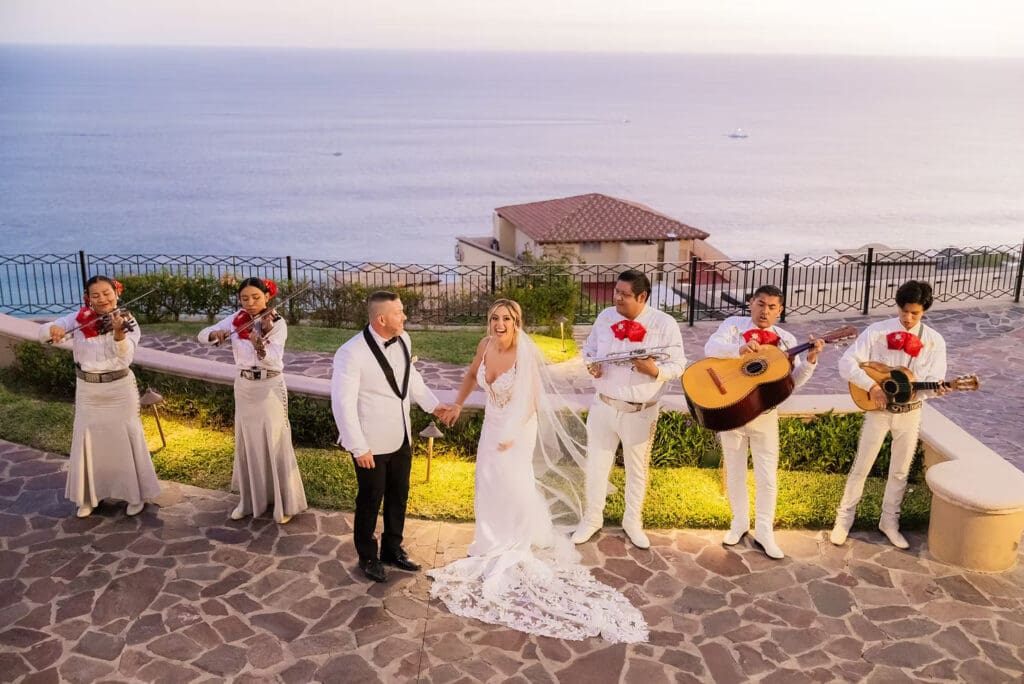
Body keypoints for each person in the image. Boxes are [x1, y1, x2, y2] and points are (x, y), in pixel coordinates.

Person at [430, 299, 647, 643]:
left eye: (506, 318)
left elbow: (530, 402)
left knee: (514, 482)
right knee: (487, 480)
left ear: (517, 322)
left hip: (518, 428)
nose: (499, 323)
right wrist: (458, 402)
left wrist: (512, 436)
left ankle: (514, 538)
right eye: (494, 318)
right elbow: (473, 374)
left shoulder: (524, 352)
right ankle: (488, 538)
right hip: (493, 424)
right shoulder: (485, 345)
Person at [331, 291, 448, 583]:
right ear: (382, 318)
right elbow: (342, 404)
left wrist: (434, 405)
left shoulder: (404, 339)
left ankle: (392, 549)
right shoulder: (351, 352)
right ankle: (368, 556)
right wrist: (358, 447)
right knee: (370, 500)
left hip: (402, 436)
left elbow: (411, 379)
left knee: (399, 496)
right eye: (399, 312)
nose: (405, 317)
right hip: (369, 444)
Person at [703, 285, 823, 559]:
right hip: (732, 411)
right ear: (750, 303)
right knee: (734, 471)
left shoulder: (786, 340)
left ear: (779, 310)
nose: (764, 311)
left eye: (771, 307)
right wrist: (740, 348)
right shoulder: (733, 325)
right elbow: (711, 347)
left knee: (767, 477)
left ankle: (765, 531)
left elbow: (792, 384)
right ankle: (739, 522)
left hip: (765, 417)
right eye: (760, 304)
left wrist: (811, 360)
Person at [572, 270, 685, 549]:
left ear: (642, 297)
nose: (617, 298)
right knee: (597, 465)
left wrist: (654, 370)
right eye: (616, 292)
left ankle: (632, 522)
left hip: (640, 411)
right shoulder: (606, 317)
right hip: (603, 406)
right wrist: (592, 364)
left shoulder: (664, 323)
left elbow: (679, 364)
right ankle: (591, 519)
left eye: (624, 294)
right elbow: (589, 348)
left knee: (637, 470)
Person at [830, 280, 948, 549]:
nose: (908, 318)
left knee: (899, 472)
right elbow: (846, 362)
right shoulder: (876, 332)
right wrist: (871, 385)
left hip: (910, 413)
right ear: (898, 306)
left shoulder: (934, 341)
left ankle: (889, 522)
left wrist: (934, 390)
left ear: (924, 311)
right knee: (862, 466)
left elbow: (933, 379)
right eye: (904, 311)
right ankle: (843, 520)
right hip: (879, 411)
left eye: (914, 313)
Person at [40, 275, 161, 518]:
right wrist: (53, 329)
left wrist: (118, 335)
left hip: (119, 390)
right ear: (88, 299)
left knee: (126, 439)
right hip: (88, 390)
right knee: (88, 440)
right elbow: (45, 332)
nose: (102, 299)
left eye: (107, 293)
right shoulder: (79, 319)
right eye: (95, 295)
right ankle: (89, 497)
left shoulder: (128, 321)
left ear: (116, 294)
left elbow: (125, 357)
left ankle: (134, 494)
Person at [198, 277, 307, 525]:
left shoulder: (277, 323)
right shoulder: (237, 319)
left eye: (256, 297)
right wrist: (216, 333)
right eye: (245, 298)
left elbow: (273, 358)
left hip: (269, 386)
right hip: (244, 386)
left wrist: (260, 347)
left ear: (267, 297)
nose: (250, 303)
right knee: (248, 443)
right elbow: (202, 335)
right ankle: (249, 502)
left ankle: (283, 503)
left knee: (275, 441)